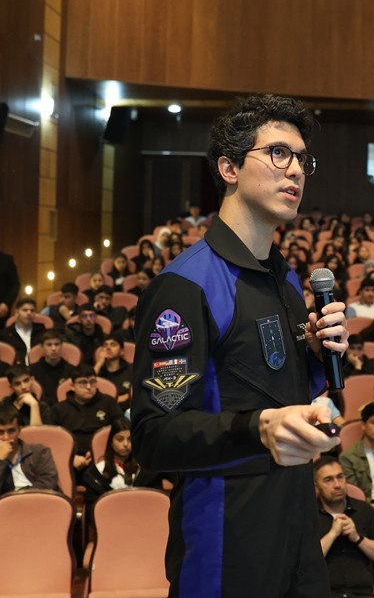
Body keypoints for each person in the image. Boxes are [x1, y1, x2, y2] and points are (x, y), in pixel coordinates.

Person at [130, 94, 345, 597]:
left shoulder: (287, 280)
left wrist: (319, 362)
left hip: (296, 525)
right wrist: (258, 427)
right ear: (229, 167)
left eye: (302, 159)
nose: (295, 170)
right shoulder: (187, 285)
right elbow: (154, 435)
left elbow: (291, 397)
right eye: (277, 154)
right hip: (225, 537)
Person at [0, 404, 59, 570]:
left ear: (20, 430)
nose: (6, 437)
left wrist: (15, 496)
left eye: (11, 431)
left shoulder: (39, 452)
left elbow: (49, 485)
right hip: (6, 522)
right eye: (0, 432)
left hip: (42, 515)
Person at [313, 456, 374, 598]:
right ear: (316, 486)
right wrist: (332, 534)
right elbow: (303, 563)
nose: (337, 484)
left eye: (340, 477)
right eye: (329, 480)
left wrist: (357, 538)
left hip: (361, 594)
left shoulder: (364, 510)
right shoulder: (308, 516)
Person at [51, 367, 123, 475]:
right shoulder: (59, 409)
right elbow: (54, 441)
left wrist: (98, 451)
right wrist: (71, 457)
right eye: (83, 382)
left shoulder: (108, 403)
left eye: (92, 382)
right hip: (70, 459)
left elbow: (120, 430)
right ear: (72, 386)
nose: (89, 387)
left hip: (103, 457)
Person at [83, 417, 164, 501]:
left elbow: (156, 501)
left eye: (129, 439)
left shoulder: (148, 471)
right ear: (111, 442)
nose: (125, 444)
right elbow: (94, 508)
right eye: (119, 439)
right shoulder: (95, 474)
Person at [0, 366, 51, 436]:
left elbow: (39, 437)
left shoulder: (43, 407)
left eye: (26, 381)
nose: (23, 387)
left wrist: (34, 406)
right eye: (17, 384)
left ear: (32, 380)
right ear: (11, 387)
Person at [29, 329, 77, 404]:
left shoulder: (71, 370)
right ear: (42, 347)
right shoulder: (32, 370)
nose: (53, 349)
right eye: (49, 345)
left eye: (57, 344)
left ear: (61, 346)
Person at [0, 297, 46, 365]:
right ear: (17, 312)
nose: (29, 313)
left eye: (32, 310)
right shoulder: (4, 335)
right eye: (25, 310)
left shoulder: (42, 331)